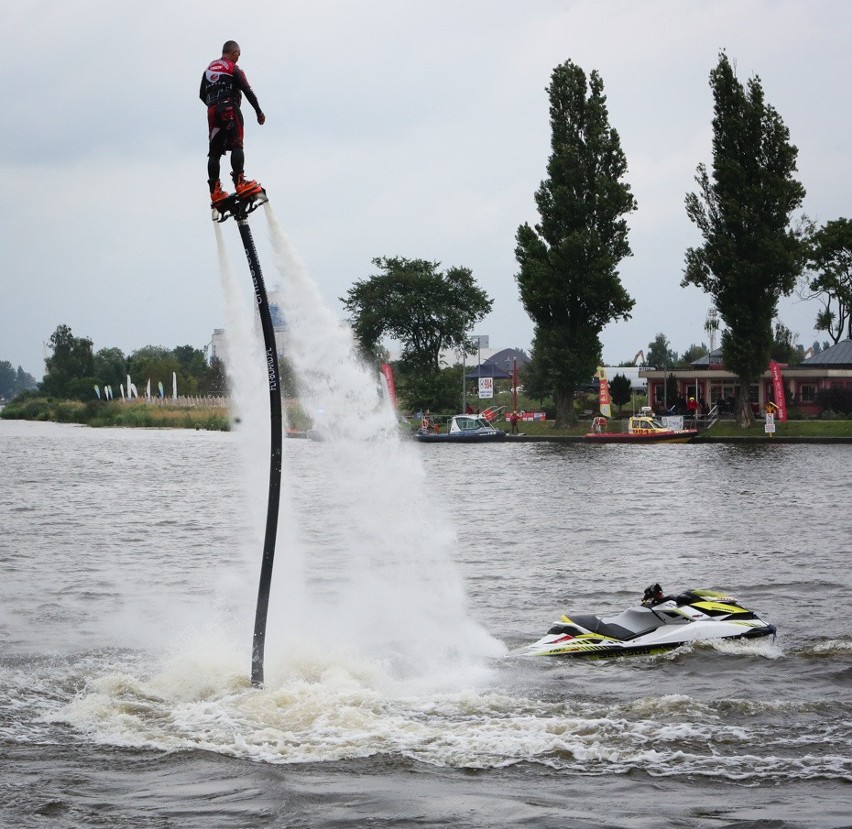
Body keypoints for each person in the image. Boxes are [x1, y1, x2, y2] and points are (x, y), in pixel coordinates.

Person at [200, 40, 266, 206]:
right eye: (238, 54)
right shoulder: (233, 68)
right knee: (237, 144)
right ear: (234, 52)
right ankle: (240, 182)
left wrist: (213, 105)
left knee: (214, 152)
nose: (238, 58)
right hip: (229, 107)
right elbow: (247, 90)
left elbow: (201, 94)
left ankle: (215, 191)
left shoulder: (208, 69)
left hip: (212, 111)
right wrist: (259, 112)